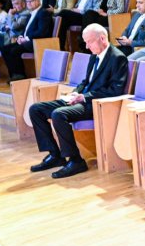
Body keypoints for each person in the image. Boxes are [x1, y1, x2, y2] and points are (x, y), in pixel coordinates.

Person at [28, 24, 129, 179]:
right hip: (82, 100)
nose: (87, 47)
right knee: (36, 109)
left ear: (102, 38)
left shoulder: (117, 58)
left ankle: (76, 161)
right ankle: (55, 155)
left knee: (58, 114)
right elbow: (85, 81)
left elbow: (115, 90)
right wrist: (75, 93)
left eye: (89, 42)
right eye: (86, 42)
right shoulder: (94, 55)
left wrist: (84, 97)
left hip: (96, 105)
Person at [0, 0, 53, 81]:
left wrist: (27, 38)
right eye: (27, 1)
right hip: (28, 41)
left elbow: (42, 32)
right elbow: (25, 31)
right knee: (5, 49)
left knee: (14, 51)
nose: (28, 3)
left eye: (31, 1)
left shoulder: (43, 13)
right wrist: (21, 37)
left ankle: (20, 75)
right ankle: (13, 74)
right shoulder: (30, 14)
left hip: (38, 42)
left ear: (38, 1)